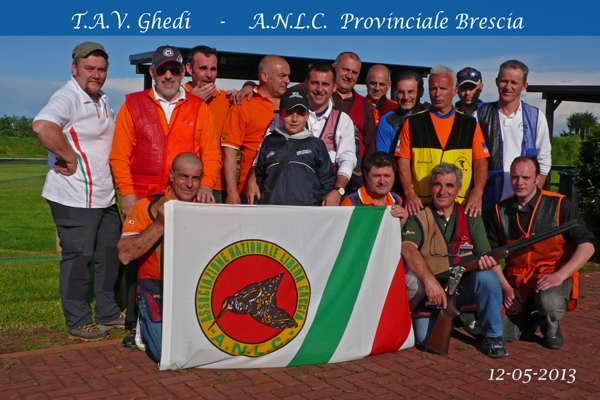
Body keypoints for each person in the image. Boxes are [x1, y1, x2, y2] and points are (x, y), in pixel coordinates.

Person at [110, 45, 220, 345]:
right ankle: (135, 323)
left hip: (184, 195)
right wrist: (127, 192)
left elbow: (211, 153)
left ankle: (186, 317)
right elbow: (120, 154)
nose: (168, 76)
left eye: (174, 70)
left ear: (183, 72)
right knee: (139, 256)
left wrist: (207, 184)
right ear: (152, 72)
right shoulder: (133, 104)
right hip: (143, 196)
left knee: (184, 257)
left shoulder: (198, 107)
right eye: (162, 70)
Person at [32, 42, 124, 341]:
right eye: (89, 68)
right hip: (75, 195)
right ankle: (78, 321)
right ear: (75, 69)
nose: (96, 74)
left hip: (104, 195)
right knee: (79, 258)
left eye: (101, 69)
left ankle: (108, 312)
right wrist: (69, 157)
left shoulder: (102, 98)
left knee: (110, 254)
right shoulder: (68, 96)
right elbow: (43, 126)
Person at [401, 163, 507, 358]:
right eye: (437, 185)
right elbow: (408, 248)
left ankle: (493, 336)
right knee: (425, 339)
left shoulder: (470, 215)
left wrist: (506, 287)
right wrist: (430, 282)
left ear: (458, 189)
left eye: (449, 185)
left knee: (488, 277)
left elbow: (487, 256)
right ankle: (462, 319)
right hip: (431, 293)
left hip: (462, 289)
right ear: (430, 187)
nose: (443, 191)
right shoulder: (418, 216)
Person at [488, 156, 595, 350]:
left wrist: (560, 276)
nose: (519, 182)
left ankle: (550, 324)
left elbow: (587, 246)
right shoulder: (500, 210)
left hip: (550, 276)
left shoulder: (560, 204)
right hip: (517, 283)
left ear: (537, 179)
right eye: (515, 177)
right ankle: (531, 318)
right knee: (503, 333)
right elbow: (491, 256)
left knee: (549, 301)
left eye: (526, 177)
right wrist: (506, 288)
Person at [118, 153, 204, 362]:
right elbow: (125, 254)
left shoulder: (207, 209)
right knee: (169, 356)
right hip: (156, 290)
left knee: (209, 348)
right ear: (171, 175)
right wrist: (159, 225)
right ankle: (143, 322)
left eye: (195, 178)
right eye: (183, 176)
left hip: (195, 292)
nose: (189, 184)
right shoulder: (147, 206)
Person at [250, 62, 356, 206]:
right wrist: (252, 180)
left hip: (319, 200)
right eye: (314, 83)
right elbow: (264, 153)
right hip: (279, 200)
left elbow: (347, 159)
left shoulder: (343, 120)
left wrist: (337, 190)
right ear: (306, 83)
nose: (319, 89)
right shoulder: (283, 114)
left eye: (325, 84)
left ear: (334, 86)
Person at [395, 65, 489, 217]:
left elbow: (481, 163)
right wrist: (409, 193)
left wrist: (478, 193)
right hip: (421, 206)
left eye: (443, 88)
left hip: (460, 206)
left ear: (454, 91)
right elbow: (402, 161)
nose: (437, 94)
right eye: (433, 88)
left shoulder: (470, 125)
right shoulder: (413, 123)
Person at [477, 60, 552, 221]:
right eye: (504, 81)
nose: (507, 87)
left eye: (514, 82)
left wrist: (532, 196)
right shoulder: (480, 114)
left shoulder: (535, 116)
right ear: (496, 82)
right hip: (486, 201)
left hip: (522, 204)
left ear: (524, 86)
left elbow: (544, 160)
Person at [221, 55, 290, 204]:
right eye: (282, 76)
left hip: (286, 191)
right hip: (251, 192)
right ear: (264, 76)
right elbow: (230, 151)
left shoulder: (292, 104)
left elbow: (313, 84)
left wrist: (248, 84)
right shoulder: (244, 104)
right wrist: (232, 192)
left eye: (288, 76)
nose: (288, 80)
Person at [254, 89, 335, 205]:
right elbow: (259, 178)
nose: (294, 119)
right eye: (289, 113)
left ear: (307, 115)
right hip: (272, 212)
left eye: (300, 113)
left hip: (306, 213)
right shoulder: (269, 142)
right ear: (280, 114)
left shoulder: (316, 144)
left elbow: (327, 182)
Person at [184, 45, 237, 203]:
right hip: (183, 183)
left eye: (213, 69)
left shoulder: (227, 99)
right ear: (189, 68)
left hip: (217, 185)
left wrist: (248, 87)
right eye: (203, 68)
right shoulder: (177, 98)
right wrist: (191, 102)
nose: (209, 75)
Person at [332, 52, 377, 191]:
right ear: (334, 67)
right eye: (345, 69)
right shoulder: (320, 98)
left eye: (354, 72)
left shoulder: (364, 105)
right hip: (320, 177)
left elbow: (370, 147)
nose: (349, 76)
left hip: (353, 182)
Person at [341, 151, 408, 225]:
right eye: (376, 176)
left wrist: (402, 223)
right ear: (366, 176)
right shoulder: (350, 203)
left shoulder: (397, 200)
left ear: (394, 177)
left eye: (386, 176)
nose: (382, 181)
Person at [376, 70, 428, 154]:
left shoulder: (432, 117)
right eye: (401, 92)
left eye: (410, 92)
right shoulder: (387, 121)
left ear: (421, 92)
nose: (405, 97)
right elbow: (383, 159)